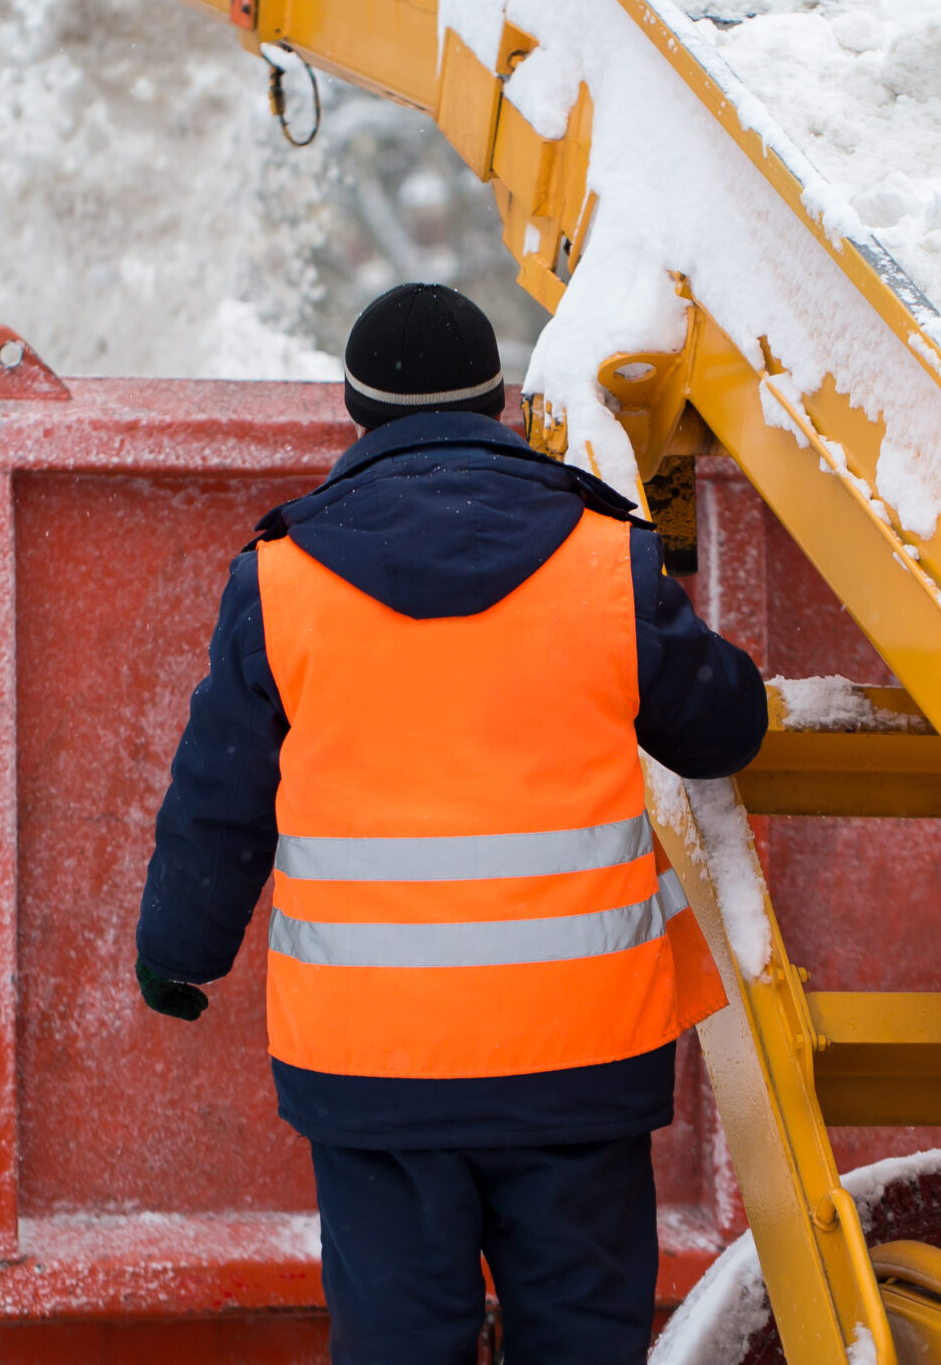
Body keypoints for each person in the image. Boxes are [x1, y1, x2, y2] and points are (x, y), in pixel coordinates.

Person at [134, 283, 769, 1365]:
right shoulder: (599, 559)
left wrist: (179, 953)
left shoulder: (280, 582)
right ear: (498, 404)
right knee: (580, 1336)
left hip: (372, 1065)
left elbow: (219, 796)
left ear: (356, 413)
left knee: (399, 1342)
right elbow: (721, 730)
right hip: (579, 1053)